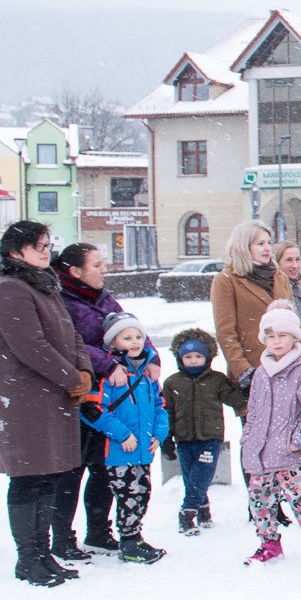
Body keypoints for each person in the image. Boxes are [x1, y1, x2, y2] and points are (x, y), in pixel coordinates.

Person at [50, 240, 140, 560]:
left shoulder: (103, 298)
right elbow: (68, 343)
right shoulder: (61, 300)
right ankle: (61, 537)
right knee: (71, 470)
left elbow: (129, 330)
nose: (105, 270)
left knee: (103, 467)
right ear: (75, 271)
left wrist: (148, 357)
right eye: (97, 266)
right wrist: (108, 363)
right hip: (76, 395)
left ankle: (99, 531)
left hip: (109, 397)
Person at [242, 300, 301, 565]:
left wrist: (297, 440)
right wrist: (248, 439)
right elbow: (253, 410)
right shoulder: (260, 372)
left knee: (300, 500)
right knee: (260, 501)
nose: (276, 342)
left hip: (291, 454)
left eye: (282, 335)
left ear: (294, 336)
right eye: (270, 336)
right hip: (260, 452)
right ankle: (268, 542)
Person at [81, 312, 168, 565]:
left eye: (139, 336)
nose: (135, 341)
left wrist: (159, 434)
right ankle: (129, 542)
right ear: (112, 343)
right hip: (119, 451)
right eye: (126, 337)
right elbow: (92, 410)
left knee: (142, 493)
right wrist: (123, 434)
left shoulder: (146, 374)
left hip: (144, 449)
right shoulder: (109, 375)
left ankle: (135, 537)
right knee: (128, 495)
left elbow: (160, 407)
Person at [161, 327, 243, 535]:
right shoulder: (172, 382)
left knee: (201, 475)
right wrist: (166, 439)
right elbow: (167, 411)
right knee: (190, 477)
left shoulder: (216, 380)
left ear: (208, 357)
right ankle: (204, 510)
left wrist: (244, 387)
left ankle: (187, 513)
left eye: (199, 356)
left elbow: (233, 399)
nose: (194, 360)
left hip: (210, 438)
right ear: (180, 358)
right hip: (184, 438)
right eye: (188, 356)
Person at [210, 220, 289, 383]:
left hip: (286, 369)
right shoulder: (226, 280)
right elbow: (226, 332)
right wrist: (243, 370)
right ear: (244, 247)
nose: (267, 248)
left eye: (269, 242)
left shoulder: (280, 276)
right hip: (253, 371)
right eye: (260, 243)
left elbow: (295, 324)